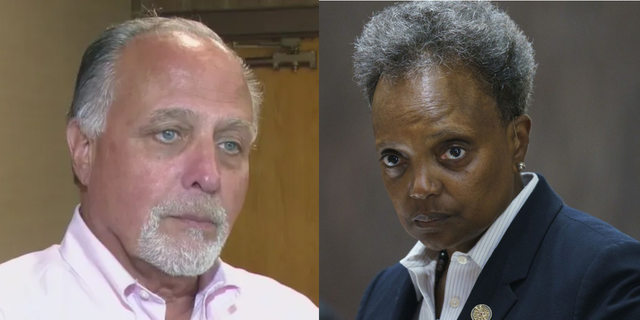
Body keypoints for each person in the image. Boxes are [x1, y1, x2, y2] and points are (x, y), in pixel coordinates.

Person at [0, 17, 317, 320]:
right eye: (169, 133)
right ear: (84, 150)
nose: (208, 176)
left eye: (230, 144)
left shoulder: (291, 312)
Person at [352, 2, 640, 320]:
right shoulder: (383, 293)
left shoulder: (606, 277)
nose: (420, 188)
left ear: (517, 140)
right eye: (395, 159)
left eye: (453, 152)